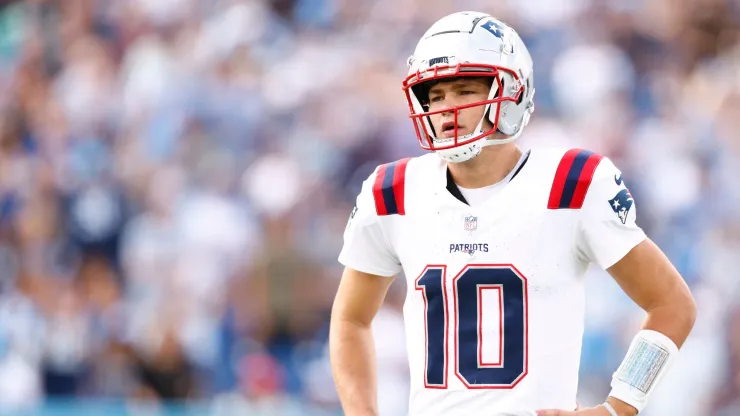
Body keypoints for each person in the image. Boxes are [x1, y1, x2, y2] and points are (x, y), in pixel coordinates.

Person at [329, 11, 696, 416]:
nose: (446, 108)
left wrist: (619, 407)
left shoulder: (571, 183)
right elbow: (350, 320)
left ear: (511, 90)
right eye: (435, 96)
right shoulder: (393, 191)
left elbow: (671, 304)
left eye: (465, 90)